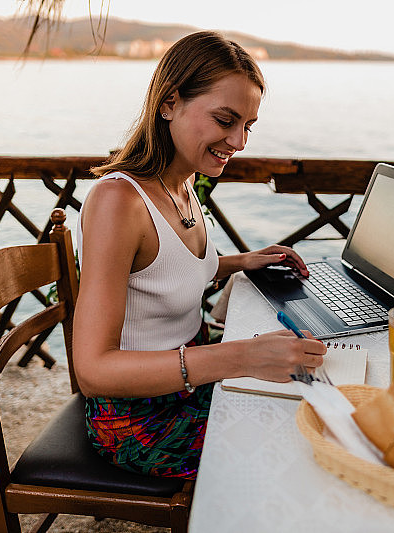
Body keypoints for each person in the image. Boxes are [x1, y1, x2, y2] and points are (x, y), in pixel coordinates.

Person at [72, 31, 327, 480]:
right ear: (169, 102)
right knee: (297, 448)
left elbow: (157, 273)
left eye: (247, 125)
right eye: (226, 120)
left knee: (317, 403)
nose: (240, 141)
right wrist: (241, 358)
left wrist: (236, 262)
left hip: (189, 379)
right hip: (138, 419)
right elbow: (93, 370)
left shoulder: (183, 183)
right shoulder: (118, 201)